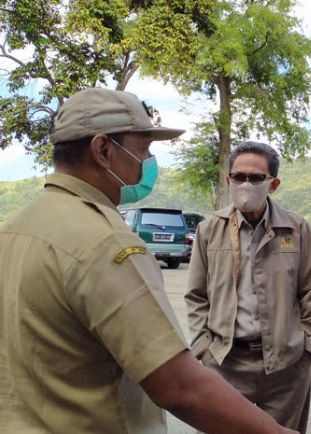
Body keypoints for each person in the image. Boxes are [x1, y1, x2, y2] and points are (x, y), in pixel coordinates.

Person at [0, 88, 295, 434]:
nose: (147, 162)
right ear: (103, 151)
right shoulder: (106, 242)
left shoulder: (16, 228)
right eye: (142, 149)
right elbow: (180, 387)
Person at [185, 141, 311, 433]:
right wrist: (204, 347)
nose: (246, 184)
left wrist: (308, 348)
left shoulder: (296, 229)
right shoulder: (209, 230)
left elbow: (310, 293)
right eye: (239, 177)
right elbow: (196, 295)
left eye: (256, 178)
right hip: (225, 364)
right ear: (228, 180)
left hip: (286, 367)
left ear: (273, 184)